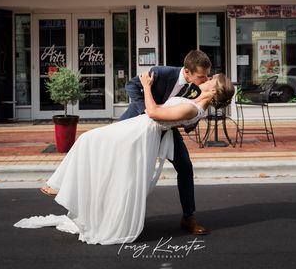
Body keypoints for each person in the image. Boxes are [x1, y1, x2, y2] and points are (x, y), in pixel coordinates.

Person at [14, 71, 235, 245]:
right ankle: (70, 191)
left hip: (140, 132)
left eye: (211, 78)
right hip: (139, 127)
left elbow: (154, 113)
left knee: (88, 141)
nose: (207, 78)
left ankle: (61, 187)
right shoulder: (196, 103)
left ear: (214, 89)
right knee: (93, 147)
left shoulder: (193, 109)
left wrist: (147, 87)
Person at [119, 49, 213, 235]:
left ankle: (188, 217)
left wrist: (192, 119)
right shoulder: (162, 72)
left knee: (185, 167)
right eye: (202, 76)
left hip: (167, 131)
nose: (206, 80)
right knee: (123, 168)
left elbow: (187, 120)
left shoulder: (197, 89)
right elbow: (131, 85)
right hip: (137, 125)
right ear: (187, 71)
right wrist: (146, 112)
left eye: (207, 76)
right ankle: (118, 215)